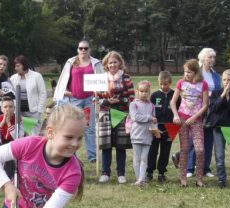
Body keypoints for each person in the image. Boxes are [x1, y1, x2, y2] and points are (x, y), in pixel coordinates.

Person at [53, 41, 103, 163]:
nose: (83, 50)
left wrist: (100, 94)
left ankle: (93, 156)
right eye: (81, 48)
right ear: (77, 49)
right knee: (73, 127)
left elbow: (101, 79)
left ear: (89, 49)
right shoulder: (71, 62)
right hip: (74, 98)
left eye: (85, 48)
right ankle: (72, 154)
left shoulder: (95, 63)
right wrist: (64, 91)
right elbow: (64, 78)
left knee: (90, 128)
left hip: (90, 99)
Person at [96, 51, 134, 184]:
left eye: (115, 62)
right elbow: (96, 99)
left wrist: (120, 101)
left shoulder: (126, 78)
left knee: (120, 145)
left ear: (120, 63)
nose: (112, 64)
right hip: (105, 113)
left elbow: (131, 97)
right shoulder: (101, 78)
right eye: (110, 62)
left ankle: (121, 173)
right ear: (106, 64)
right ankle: (105, 172)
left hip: (122, 114)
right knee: (106, 145)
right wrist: (106, 102)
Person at [170, 59, 208, 187]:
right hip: (182, 119)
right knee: (184, 149)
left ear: (196, 72)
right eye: (185, 72)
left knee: (200, 149)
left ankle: (199, 178)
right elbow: (172, 102)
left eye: (190, 72)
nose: (186, 74)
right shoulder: (181, 83)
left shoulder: (203, 84)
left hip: (196, 120)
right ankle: (183, 178)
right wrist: (176, 115)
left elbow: (205, 105)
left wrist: (195, 117)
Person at [185, 47, 219, 179]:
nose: (212, 60)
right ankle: (190, 167)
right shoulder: (195, 72)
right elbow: (188, 88)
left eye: (213, 57)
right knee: (194, 139)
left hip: (211, 110)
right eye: (210, 57)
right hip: (196, 109)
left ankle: (205, 168)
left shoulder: (215, 75)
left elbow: (218, 91)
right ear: (203, 58)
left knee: (209, 140)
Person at [146, 71, 174, 183]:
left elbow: (179, 109)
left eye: (166, 84)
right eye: (161, 84)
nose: (163, 86)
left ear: (170, 83)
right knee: (152, 150)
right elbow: (149, 110)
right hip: (156, 127)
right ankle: (149, 172)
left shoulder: (175, 95)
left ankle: (162, 172)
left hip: (170, 127)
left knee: (165, 151)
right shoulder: (154, 95)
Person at [128, 80, 156, 186]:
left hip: (147, 136)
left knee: (145, 158)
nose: (144, 94)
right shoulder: (133, 104)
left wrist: (155, 129)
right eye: (142, 91)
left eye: (146, 92)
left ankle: (141, 179)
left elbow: (154, 120)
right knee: (137, 157)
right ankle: (138, 178)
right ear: (137, 91)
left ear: (149, 92)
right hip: (136, 135)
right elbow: (135, 117)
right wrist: (149, 118)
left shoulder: (152, 106)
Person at [8, 55, 46, 122]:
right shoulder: (13, 78)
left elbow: (42, 93)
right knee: (20, 132)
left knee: (33, 132)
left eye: (18, 66)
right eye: (15, 66)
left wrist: (39, 111)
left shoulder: (37, 76)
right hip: (18, 112)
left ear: (24, 65)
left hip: (33, 112)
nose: (15, 68)